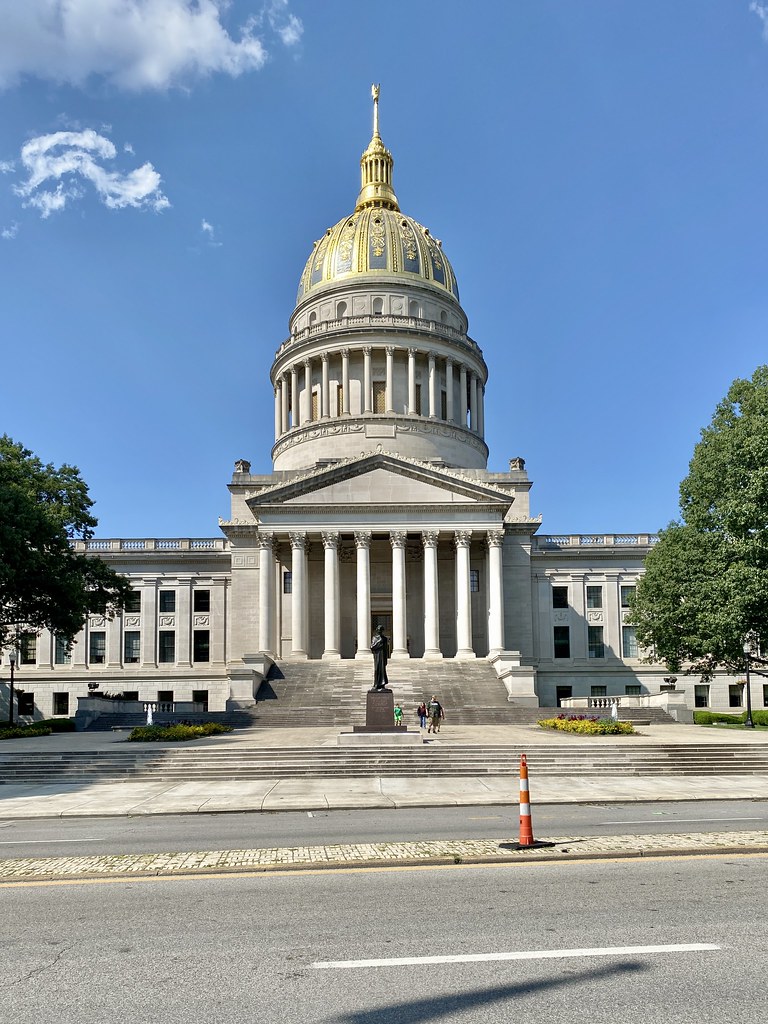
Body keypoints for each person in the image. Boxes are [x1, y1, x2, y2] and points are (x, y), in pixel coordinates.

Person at [370, 624, 389, 690]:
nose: (379, 631)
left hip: (382, 656)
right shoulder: (374, 638)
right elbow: (372, 647)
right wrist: (379, 641)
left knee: (382, 670)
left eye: (381, 630)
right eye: (378, 630)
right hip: (377, 656)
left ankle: (382, 684)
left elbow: (386, 649)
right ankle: (376, 684)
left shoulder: (385, 639)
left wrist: (386, 659)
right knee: (377, 669)